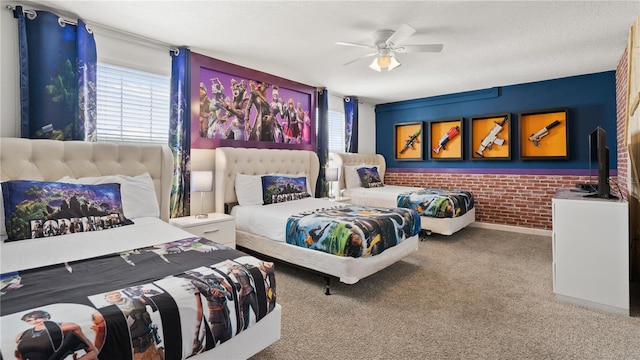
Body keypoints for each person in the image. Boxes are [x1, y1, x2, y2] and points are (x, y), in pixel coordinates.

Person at [104, 289, 164, 360]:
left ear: (120, 294)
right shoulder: (106, 312)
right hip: (132, 350)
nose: (115, 297)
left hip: (150, 345)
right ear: (106, 299)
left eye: (116, 295)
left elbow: (158, 299)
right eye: (111, 297)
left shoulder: (134, 300)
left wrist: (149, 291)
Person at [15, 309, 99, 360]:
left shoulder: (67, 326)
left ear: (47, 316)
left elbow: (92, 352)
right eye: (29, 320)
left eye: (38, 317)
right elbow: (20, 356)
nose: (35, 321)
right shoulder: (23, 334)